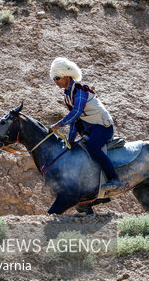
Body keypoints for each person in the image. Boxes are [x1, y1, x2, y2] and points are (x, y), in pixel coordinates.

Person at [49, 57, 122, 192]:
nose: (56, 81)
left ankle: (114, 179)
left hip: (103, 127)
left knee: (92, 147)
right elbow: (75, 121)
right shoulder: (67, 95)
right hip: (91, 129)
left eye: (57, 78)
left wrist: (58, 125)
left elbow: (77, 112)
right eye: (54, 78)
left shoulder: (79, 89)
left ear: (67, 76)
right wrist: (70, 141)